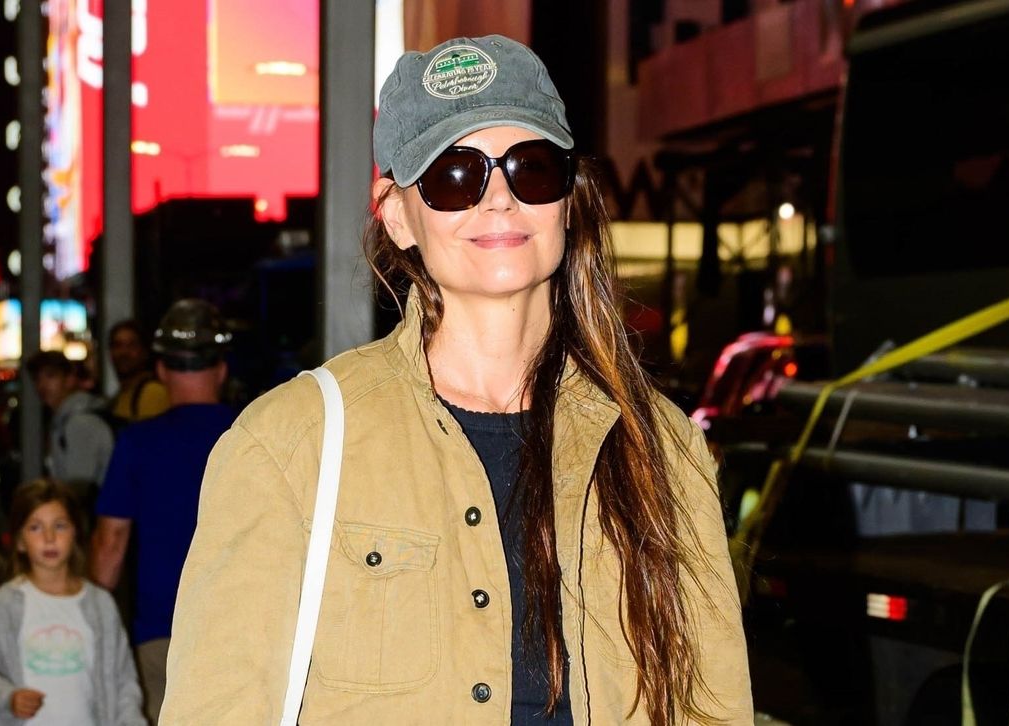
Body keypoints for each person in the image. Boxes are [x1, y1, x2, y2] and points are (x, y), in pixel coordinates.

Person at [163, 35, 752, 724]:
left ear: (567, 200)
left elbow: (712, 707)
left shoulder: (662, 449)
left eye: (530, 168)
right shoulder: (289, 444)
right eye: (454, 175)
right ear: (398, 215)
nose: (498, 199)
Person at [91, 299, 236, 723]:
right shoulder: (254, 434)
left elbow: (109, 543)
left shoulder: (138, 443)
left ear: (161, 370)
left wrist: (91, 620)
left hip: (161, 630)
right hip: (243, 629)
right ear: (222, 370)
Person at [0, 479, 147, 725]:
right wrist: (7, 696)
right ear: (19, 541)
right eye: (35, 528)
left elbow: (124, 681)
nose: (49, 538)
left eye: (59, 526)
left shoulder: (100, 605)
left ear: (75, 534)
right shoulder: (4, 605)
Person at [26, 351, 113, 507]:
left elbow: (78, 488)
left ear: (70, 379)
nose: (42, 385)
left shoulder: (80, 422)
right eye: (37, 379)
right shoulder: (67, 419)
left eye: (51, 376)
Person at [107, 320, 170, 424]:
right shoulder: (118, 398)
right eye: (117, 345)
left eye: (131, 345)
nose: (124, 352)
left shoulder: (153, 393)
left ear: (144, 352)